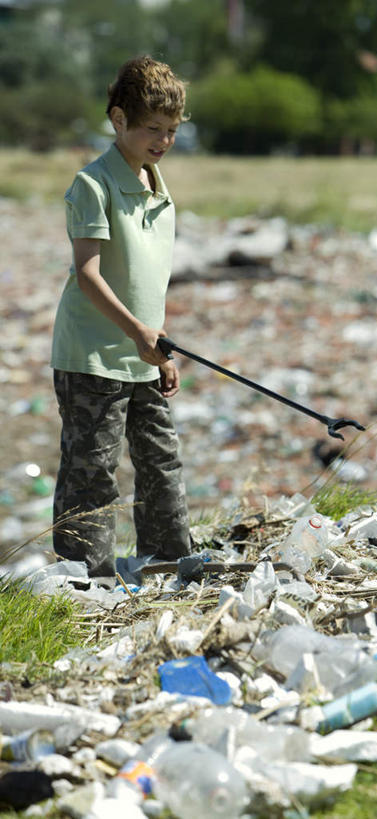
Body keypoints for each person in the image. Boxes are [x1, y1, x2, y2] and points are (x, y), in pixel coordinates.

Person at [50, 56, 192, 581]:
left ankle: (170, 563)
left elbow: (148, 278)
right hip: (93, 355)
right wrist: (138, 332)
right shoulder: (94, 184)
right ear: (119, 120)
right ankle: (85, 581)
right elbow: (88, 274)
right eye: (152, 128)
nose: (162, 140)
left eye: (172, 131)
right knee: (92, 474)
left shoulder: (159, 187)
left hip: (145, 354)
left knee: (161, 463)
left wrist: (161, 348)